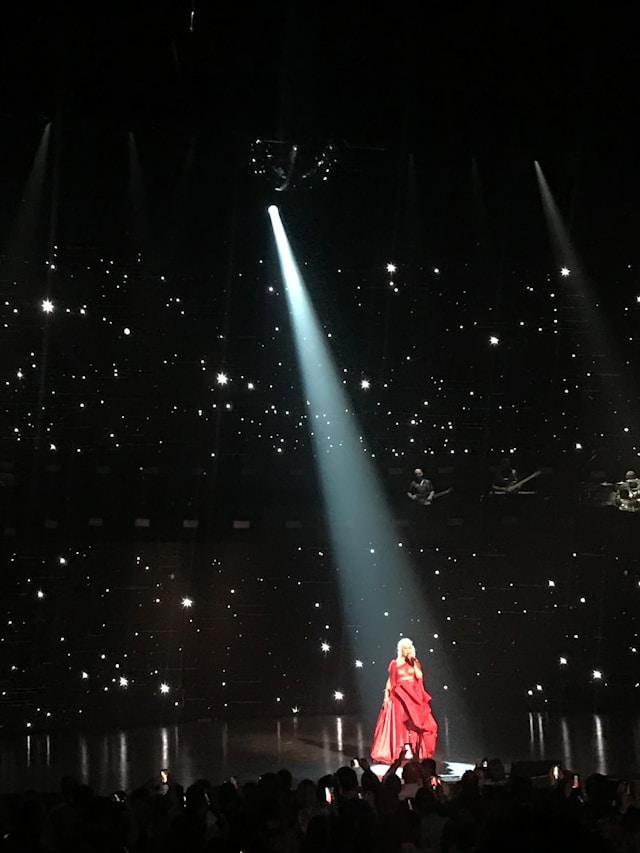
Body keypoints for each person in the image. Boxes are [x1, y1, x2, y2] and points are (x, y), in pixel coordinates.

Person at [370, 638, 438, 765]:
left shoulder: (414, 662)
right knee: (400, 724)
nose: (407, 650)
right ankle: (401, 750)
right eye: (405, 648)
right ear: (401, 649)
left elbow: (419, 677)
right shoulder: (394, 663)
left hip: (413, 696)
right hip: (400, 696)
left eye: (409, 647)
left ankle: (415, 749)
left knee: (418, 723)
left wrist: (413, 662)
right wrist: (386, 696)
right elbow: (391, 681)